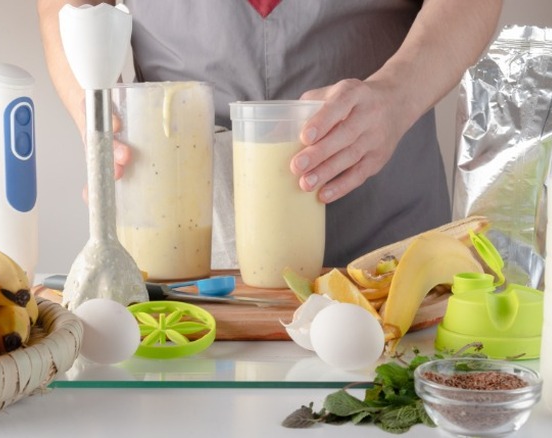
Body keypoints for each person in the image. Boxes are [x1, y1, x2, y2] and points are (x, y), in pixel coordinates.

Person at [38, 0, 503, 268]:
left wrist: (396, 96)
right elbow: (69, 7)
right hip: (177, 239)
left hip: (387, 231)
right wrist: (95, 114)